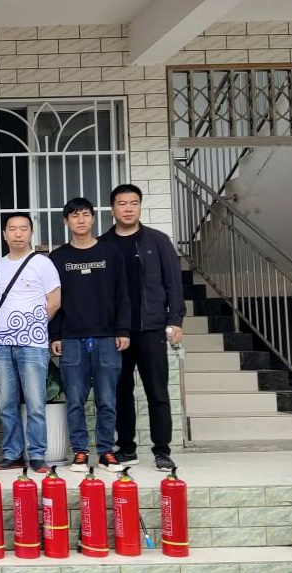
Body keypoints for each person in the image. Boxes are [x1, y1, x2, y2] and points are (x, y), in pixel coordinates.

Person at [100, 184, 185, 471]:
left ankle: (162, 451)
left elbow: (173, 283)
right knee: (120, 392)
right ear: (112, 209)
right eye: (122, 203)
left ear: (140, 206)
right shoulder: (103, 244)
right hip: (117, 332)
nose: (128, 209)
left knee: (157, 392)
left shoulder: (158, 241)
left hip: (151, 328)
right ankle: (126, 448)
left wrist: (175, 320)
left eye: (133, 203)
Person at [48, 198, 130, 473]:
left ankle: (106, 452)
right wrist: (55, 335)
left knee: (107, 400)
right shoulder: (58, 258)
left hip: (107, 338)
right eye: (74, 216)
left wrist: (122, 329)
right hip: (71, 339)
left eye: (85, 214)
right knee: (75, 401)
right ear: (66, 222)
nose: (80, 220)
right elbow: (53, 300)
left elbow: (122, 294)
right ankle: (80, 453)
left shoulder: (110, 252)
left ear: (93, 218)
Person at [0, 213, 61, 473]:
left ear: (31, 233)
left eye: (23, 228)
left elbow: (54, 301)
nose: (18, 233)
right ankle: (12, 454)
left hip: (32, 343)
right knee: (6, 403)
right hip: (1, 343)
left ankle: (38, 455)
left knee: (35, 402)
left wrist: (33, 326)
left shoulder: (42, 263)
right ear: (4, 234)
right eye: (12, 229)